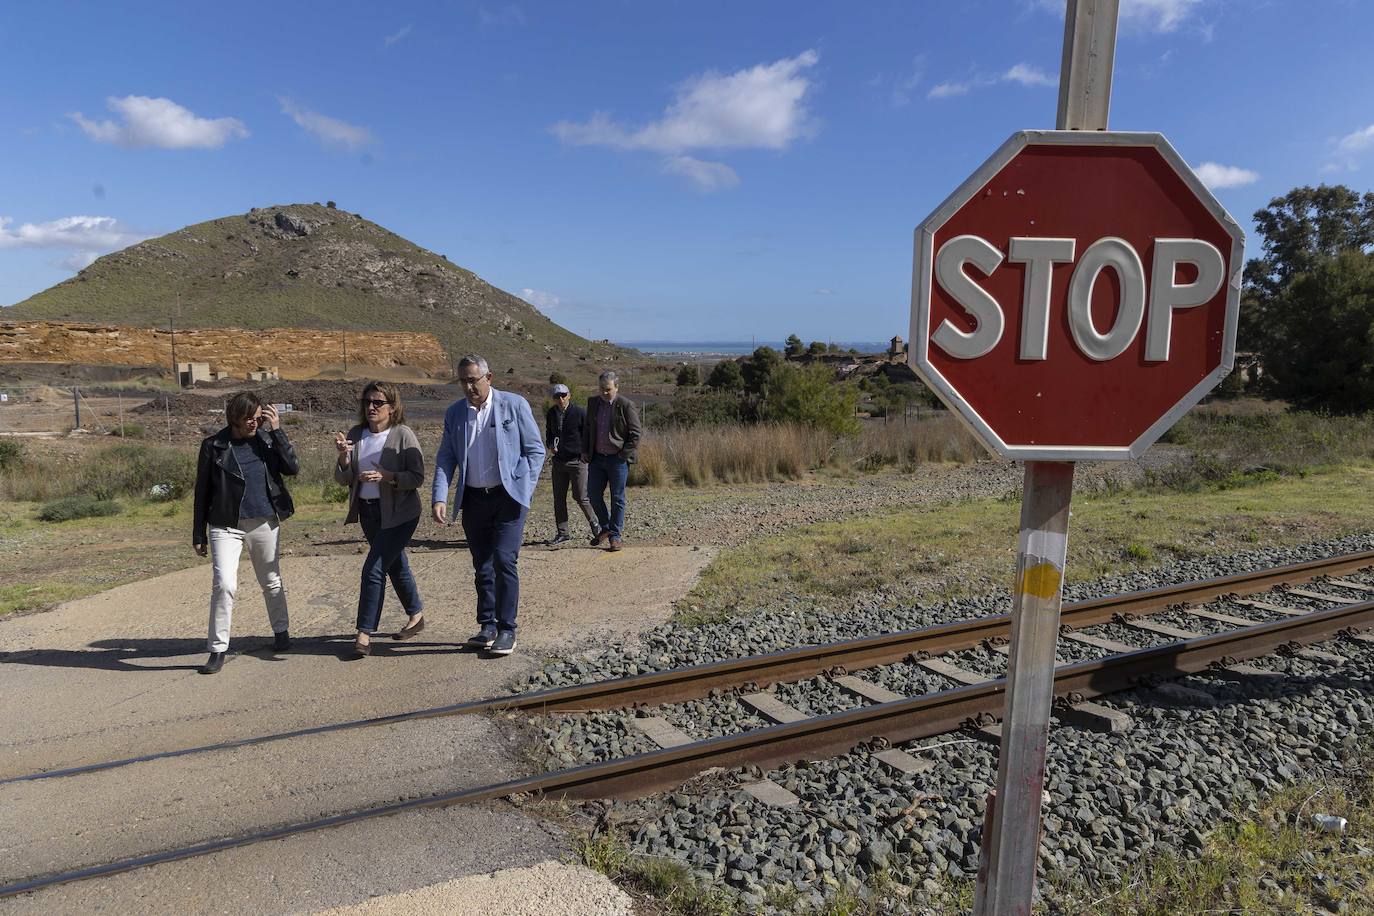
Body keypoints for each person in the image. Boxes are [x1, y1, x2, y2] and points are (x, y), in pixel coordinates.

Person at [432, 355, 545, 656]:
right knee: (482, 565)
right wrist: (440, 496)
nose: (468, 386)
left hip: (508, 498)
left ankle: (507, 629)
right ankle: (487, 626)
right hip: (473, 499)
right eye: (463, 381)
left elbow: (536, 451)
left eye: (473, 380)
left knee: (504, 560)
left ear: (489, 378)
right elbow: (446, 457)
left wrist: (524, 487)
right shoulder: (455, 413)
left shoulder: (514, 405)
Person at [192, 392, 298, 675]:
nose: (254, 422)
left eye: (258, 416)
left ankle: (281, 633)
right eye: (249, 417)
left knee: (271, 580)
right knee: (225, 584)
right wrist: (198, 533)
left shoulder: (266, 440)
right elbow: (202, 492)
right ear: (235, 418)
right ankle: (217, 650)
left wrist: (277, 432)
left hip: (264, 520)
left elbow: (292, 468)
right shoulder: (213, 446)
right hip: (225, 524)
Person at [334, 382, 426, 658]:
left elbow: (417, 477)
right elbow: (344, 479)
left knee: (373, 569)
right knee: (395, 565)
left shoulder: (403, 435)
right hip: (369, 513)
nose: (371, 407)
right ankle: (417, 616)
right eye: (367, 402)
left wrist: (388, 476)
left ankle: (364, 633)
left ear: (392, 407)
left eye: (378, 402)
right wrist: (343, 458)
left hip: (401, 514)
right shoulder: (356, 434)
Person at [582, 370, 642, 552]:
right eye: (601, 389)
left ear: (616, 387)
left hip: (617, 460)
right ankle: (606, 527)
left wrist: (623, 455)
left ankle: (615, 536)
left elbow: (636, 434)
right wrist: (586, 451)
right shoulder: (593, 403)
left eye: (608, 389)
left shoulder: (625, 405)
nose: (604, 392)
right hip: (597, 459)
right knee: (592, 494)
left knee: (617, 498)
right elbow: (587, 429)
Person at [544, 382, 600, 546]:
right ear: (553, 399)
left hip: (577, 461)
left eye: (563, 395)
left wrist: (587, 454)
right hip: (559, 461)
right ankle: (563, 533)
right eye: (557, 396)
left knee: (581, 497)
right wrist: (550, 445)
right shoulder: (551, 413)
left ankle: (597, 527)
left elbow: (589, 434)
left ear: (569, 395)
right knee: (558, 499)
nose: (560, 399)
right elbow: (549, 432)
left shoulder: (579, 412)